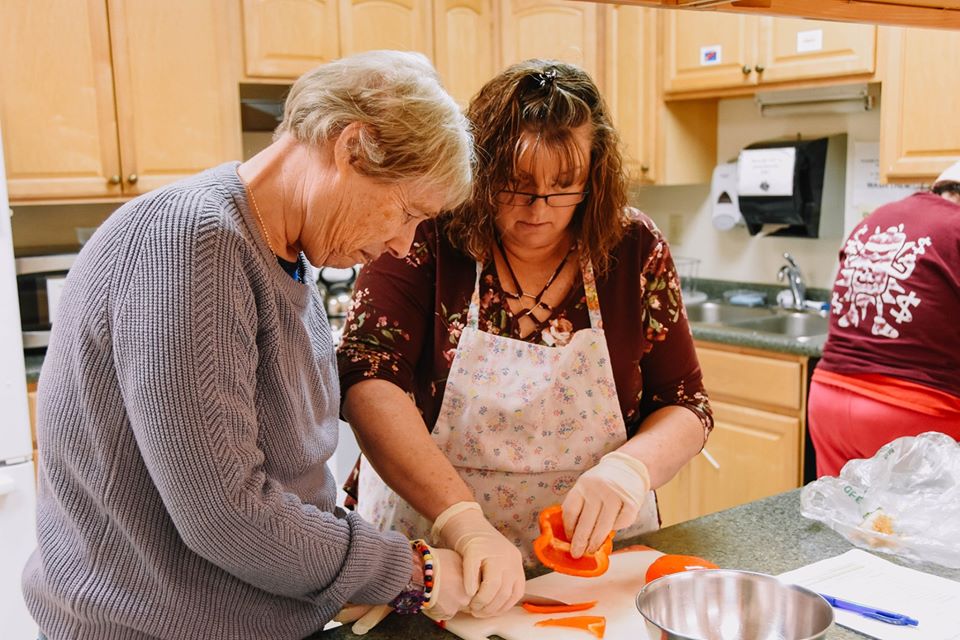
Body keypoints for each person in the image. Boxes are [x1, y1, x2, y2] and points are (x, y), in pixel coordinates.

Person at [22, 50, 476, 639]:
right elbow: (226, 514)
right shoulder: (190, 245)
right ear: (352, 148)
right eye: (408, 212)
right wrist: (410, 570)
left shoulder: (286, 257)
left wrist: (350, 577)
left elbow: (287, 486)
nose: (402, 243)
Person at [337, 59, 713, 617]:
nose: (539, 208)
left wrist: (630, 469)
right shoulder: (425, 232)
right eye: (516, 184)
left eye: (563, 187)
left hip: (589, 564)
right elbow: (367, 379)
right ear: (481, 167)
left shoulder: (632, 246)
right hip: (441, 554)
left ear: (595, 175)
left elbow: (685, 402)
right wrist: (462, 520)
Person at [808, 160, 960, 477]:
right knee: (924, 511)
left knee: (847, 506)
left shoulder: (877, 218)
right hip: (912, 412)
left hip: (828, 398)